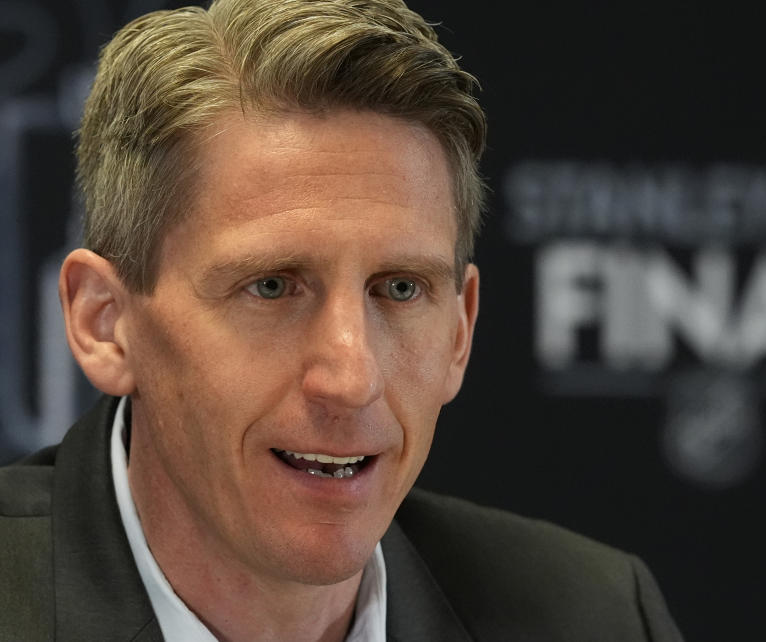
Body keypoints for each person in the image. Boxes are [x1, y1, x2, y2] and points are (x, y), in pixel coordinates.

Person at [0, 0, 683, 639]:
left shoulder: (592, 615)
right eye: (271, 287)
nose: (351, 376)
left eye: (400, 289)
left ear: (460, 331)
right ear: (104, 322)